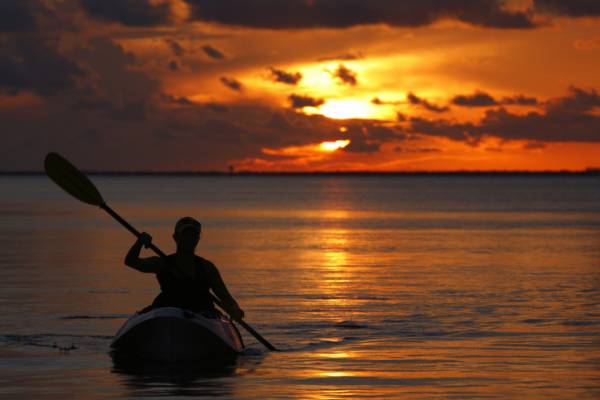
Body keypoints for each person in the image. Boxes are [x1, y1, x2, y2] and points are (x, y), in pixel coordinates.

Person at [124, 216, 244, 320]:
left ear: (198, 239)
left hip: (203, 315)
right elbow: (131, 261)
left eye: (194, 235)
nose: (190, 239)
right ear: (175, 237)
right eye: (186, 234)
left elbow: (225, 297)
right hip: (168, 313)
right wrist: (139, 242)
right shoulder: (162, 263)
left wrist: (235, 309)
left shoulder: (207, 267)